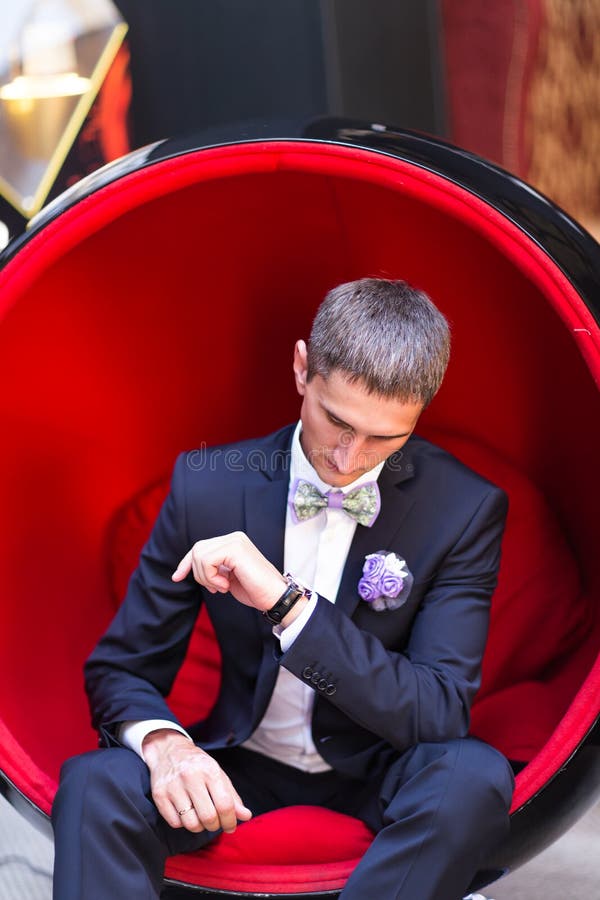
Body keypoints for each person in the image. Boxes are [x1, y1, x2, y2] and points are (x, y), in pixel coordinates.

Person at [52, 278, 514, 900]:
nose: (349, 458)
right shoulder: (208, 485)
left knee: (474, 776)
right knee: (93, 783)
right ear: (302, 370)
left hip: (378, 769)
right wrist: (166, 748)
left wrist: (287, 604)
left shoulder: (464, 508)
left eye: (384, 438)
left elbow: (436, 711)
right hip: (239, 766)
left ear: (420, 413)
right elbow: (122, 668)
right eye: (337, 421)